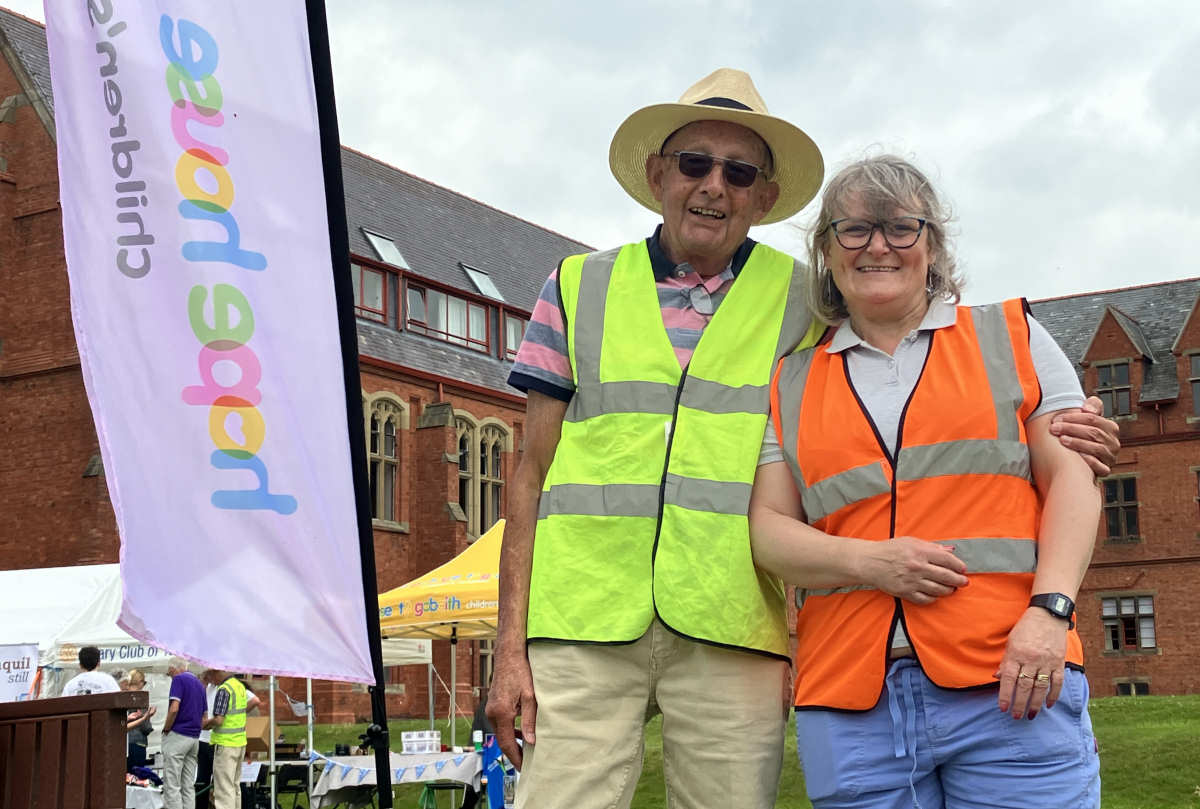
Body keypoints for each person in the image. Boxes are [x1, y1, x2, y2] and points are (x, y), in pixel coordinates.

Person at [488, 69, 1120, 809]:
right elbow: (529, 474)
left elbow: (923, 349)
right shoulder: (574, 286)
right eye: (695, 163)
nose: (713, 185)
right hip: (580, 622)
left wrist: (1067, 423)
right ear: (659, 173)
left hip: (731, 626)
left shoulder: (808, 302)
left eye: (739, 171)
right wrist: (509, 647)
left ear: (763, 194)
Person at [748, 154, 1102, 808]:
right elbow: (767, 530)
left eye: (900, 227)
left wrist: (1051, 612)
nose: (877, 245)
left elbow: (1074, 484)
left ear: (932, 245)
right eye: (853, 229)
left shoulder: (1014, 338)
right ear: (827, 251)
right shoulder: (789, 382)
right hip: (852, 700)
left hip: (1010, 676)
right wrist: (868, 560)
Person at [201, 670, 259, 809]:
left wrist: (205, 725)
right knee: (235, 786)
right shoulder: (238, 686)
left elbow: (219, 719)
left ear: (217, 674)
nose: (211, 680)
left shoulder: (223, 689)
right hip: (239, 742)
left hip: (225, 744)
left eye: (211, 676)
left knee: (223, 789)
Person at [162, 658, 207, 809]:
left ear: (175, 669)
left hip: (178, 734)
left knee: (172, 782)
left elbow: (174, 708)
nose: (170, 675)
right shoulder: (200, 685)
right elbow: (205, 717)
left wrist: (166, 728)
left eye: (170, 672)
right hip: (194, 737)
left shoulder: (179, 680)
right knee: (188, 784)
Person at [125, 668, 157, 770]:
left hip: (123, 743)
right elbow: (145, 727)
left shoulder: (122, 694)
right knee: (137, 778)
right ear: (140, 682)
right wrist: (149, 722)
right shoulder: (141, 697)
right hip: (138, 742)